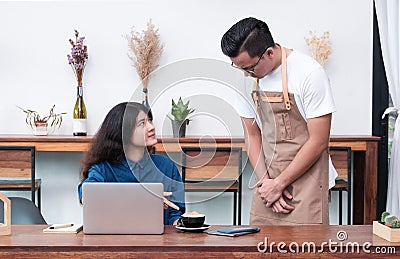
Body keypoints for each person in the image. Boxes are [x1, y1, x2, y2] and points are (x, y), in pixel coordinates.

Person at [221, 17, 336, 225]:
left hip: (307, 181)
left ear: (269, 53)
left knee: (306, 251)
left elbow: (319, 141)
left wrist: (280, 184)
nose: (246, 75)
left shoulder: (309, 74)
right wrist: (267, 184)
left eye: (250, 68)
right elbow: (252, 133)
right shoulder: (244, 79)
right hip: (267, 180)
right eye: (239, 68)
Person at [77, 102, 185, 225]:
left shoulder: (166, 166)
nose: (151, 127)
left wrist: (186, 222)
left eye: (150, 120)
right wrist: (144, 197)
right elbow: (87, 195)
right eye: (142, 123)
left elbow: (175, 215)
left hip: (158, 242)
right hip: (115, 240)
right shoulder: (103, 168)